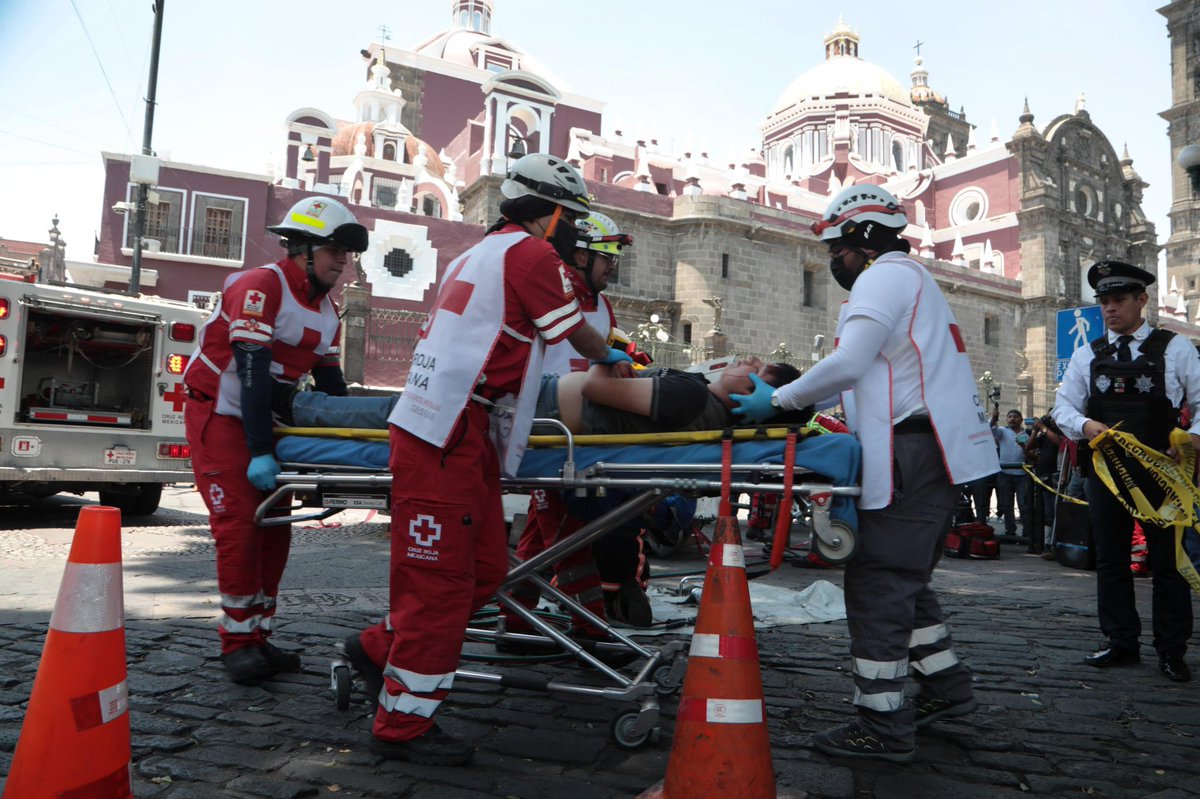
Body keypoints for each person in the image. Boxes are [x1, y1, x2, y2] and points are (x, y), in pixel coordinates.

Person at [344, 153, 621, 766]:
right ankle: (402, 726)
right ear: (549, 212)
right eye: (571, 217)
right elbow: (573, 334)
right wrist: (618, 358)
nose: (574, 229)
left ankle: (376, 649)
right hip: (442, 431)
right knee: (441, 588)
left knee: (487, 572)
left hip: (460, 429)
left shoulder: (480, 252)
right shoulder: (530, 254)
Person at [730, 184, 999, 762]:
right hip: (926, 451)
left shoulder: (883, 277)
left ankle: (881, 726)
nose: (834, 262)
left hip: (910, 453)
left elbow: (850, 363)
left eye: (837, 249)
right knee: (905, 581)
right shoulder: (912, 280)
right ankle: (946, 689)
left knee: (879, 583)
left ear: (863, 239)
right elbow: (875, 378)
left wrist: (778, 404)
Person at [182, 196, 368, 684]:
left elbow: (330, 384)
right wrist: (260, 449)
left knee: (275, 531)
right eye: (334, 250)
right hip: (220, 414)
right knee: (240, 527)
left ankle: (259, 636)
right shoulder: (261, 285)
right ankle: (237, 643)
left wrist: (354, 440)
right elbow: (250, 368)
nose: (343, 260)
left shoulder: (328, 309)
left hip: (267, 421)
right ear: (302, 249)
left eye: (346, 252)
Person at [1051, 259, 1200, 683]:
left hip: (1162, 474)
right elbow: (1063, 407)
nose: (1110, 309)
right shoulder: (1088, 354)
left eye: (1119, 300)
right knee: (1111, 560)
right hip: (1108, 474)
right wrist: (1086, 425)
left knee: (1168, 564)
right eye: (1104, 302)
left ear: (1142, 301)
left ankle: (1172, 650)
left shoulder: (1175, 348)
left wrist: (1189, 440)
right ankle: (1121, 643)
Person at [993, 408, 1031, 538]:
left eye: (1015, 416)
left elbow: (1031, 453)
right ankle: (1010, 531)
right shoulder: (1002, 432)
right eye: (1009, 416)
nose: (1012, 419)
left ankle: (1027, 532)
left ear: (1021, 419)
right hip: (1005, 473)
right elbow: (990, 430)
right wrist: (994, 418)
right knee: (1006, 504)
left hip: (1022, 474)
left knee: (1024, 504)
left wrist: (1023, 447)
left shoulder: (1027, 433)